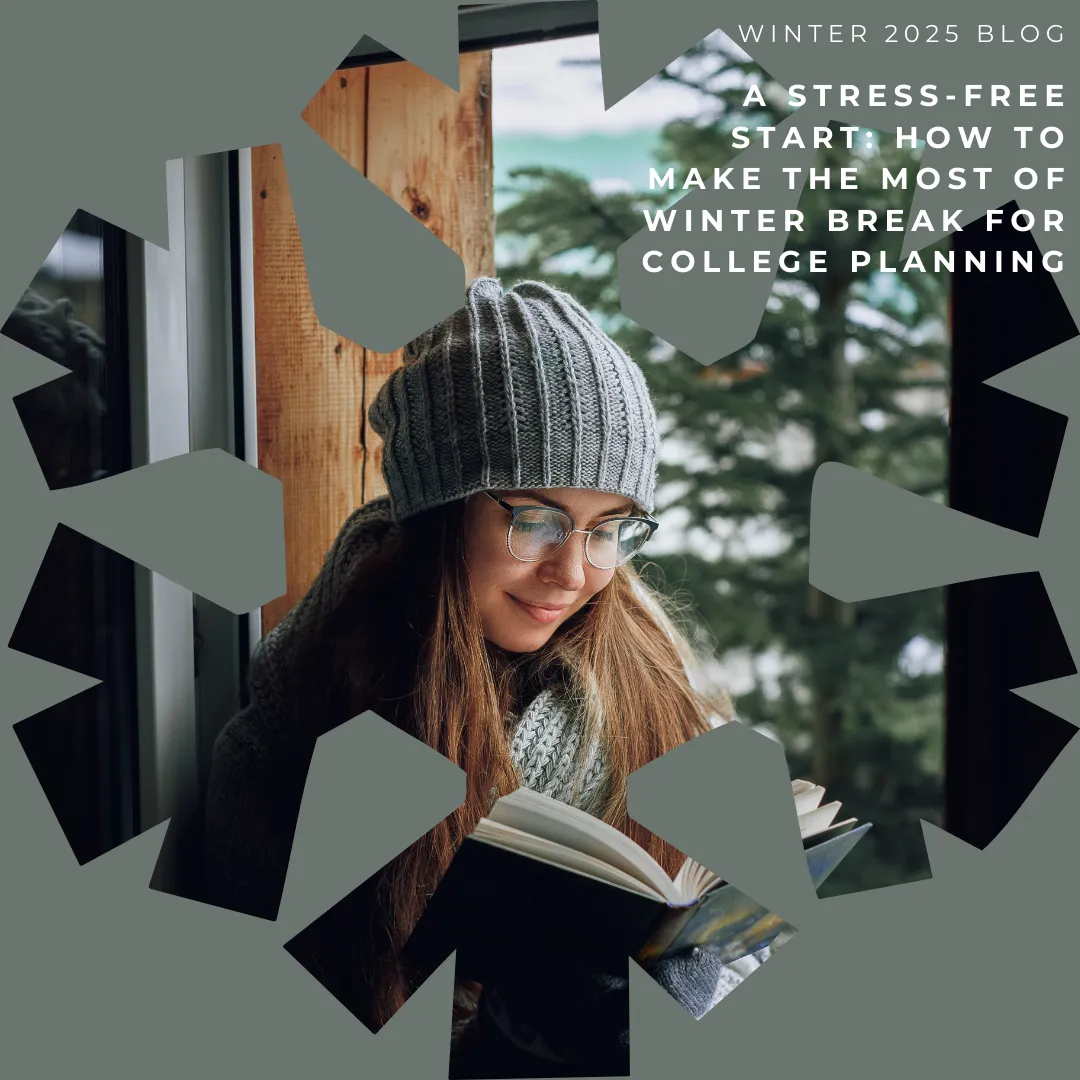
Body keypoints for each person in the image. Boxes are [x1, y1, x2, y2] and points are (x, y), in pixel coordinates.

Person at [202, 277, 770, 1077]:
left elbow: (753, 953)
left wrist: (695, 1000)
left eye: (611, 529)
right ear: (442, 509)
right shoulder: (297, 732)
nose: (572, 571)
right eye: (536, 519)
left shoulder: (649, 675)